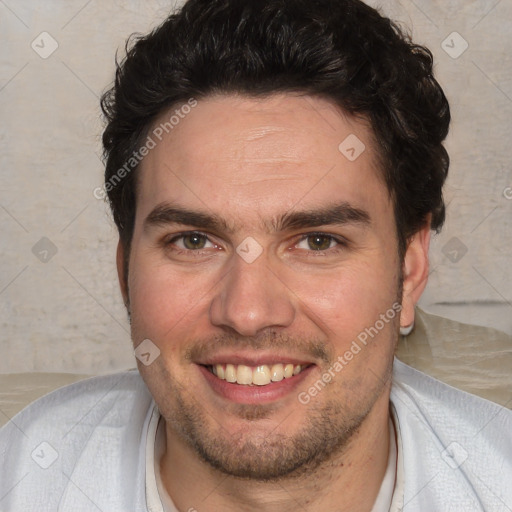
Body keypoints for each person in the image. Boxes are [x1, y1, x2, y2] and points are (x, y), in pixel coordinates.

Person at [1, 0, 511, 510]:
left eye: (317, 241)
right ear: (124, 272)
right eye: (193, 241)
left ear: (408, 270)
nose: (247, 313)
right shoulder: (21, 477)